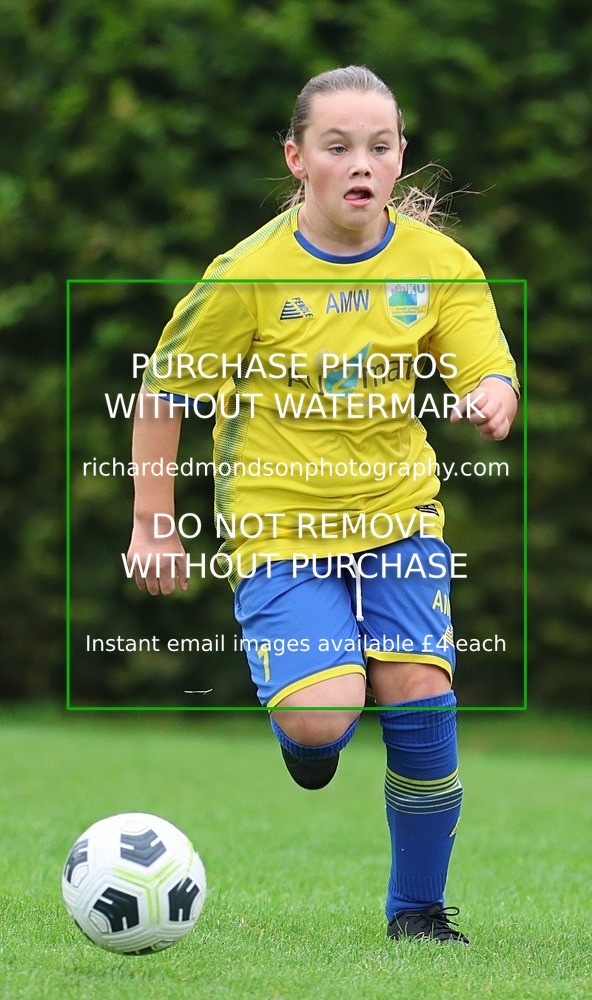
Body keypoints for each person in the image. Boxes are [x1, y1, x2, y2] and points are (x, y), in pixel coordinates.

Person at [127, 65, 519, 945]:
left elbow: (486, 363)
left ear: (400, 158)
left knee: (418, 690)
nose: (361, 163)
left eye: (379, 147)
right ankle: (307, 742)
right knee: (322, 716)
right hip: (277, 518)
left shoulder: (440, 265)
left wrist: (494, 394)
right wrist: (153, 521)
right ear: (296, 158)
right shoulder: (249, 274)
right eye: (337, 146)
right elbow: (164, 397)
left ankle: (417, 912)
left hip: (398, 513)